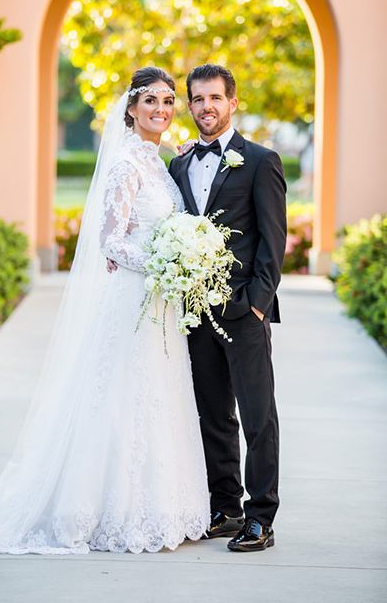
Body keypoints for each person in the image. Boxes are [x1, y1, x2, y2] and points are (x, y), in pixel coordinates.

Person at [0, 67, 210, 555]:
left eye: (169, 101)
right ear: (131, 109)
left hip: (160, 303)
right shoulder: (124, 165)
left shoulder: (161, 164)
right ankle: (101, 509)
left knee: (157, 394)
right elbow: (109, 239)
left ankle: (159, 507)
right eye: (150, 100)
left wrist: (178, 258)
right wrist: (165, 260)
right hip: (132, 297)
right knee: (119, 395)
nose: (162, 109)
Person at [169, 64, 287, 552]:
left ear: (232, 102)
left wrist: (256, 304)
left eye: (215, 98)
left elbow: (272, 241)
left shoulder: (260, 160)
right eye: (197, 99)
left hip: (243, 311)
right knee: (212, 414)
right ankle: (225, 508)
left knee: (258, 417)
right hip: (195, 313)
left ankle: (261, 518)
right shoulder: (177, 165)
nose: (206, 107)